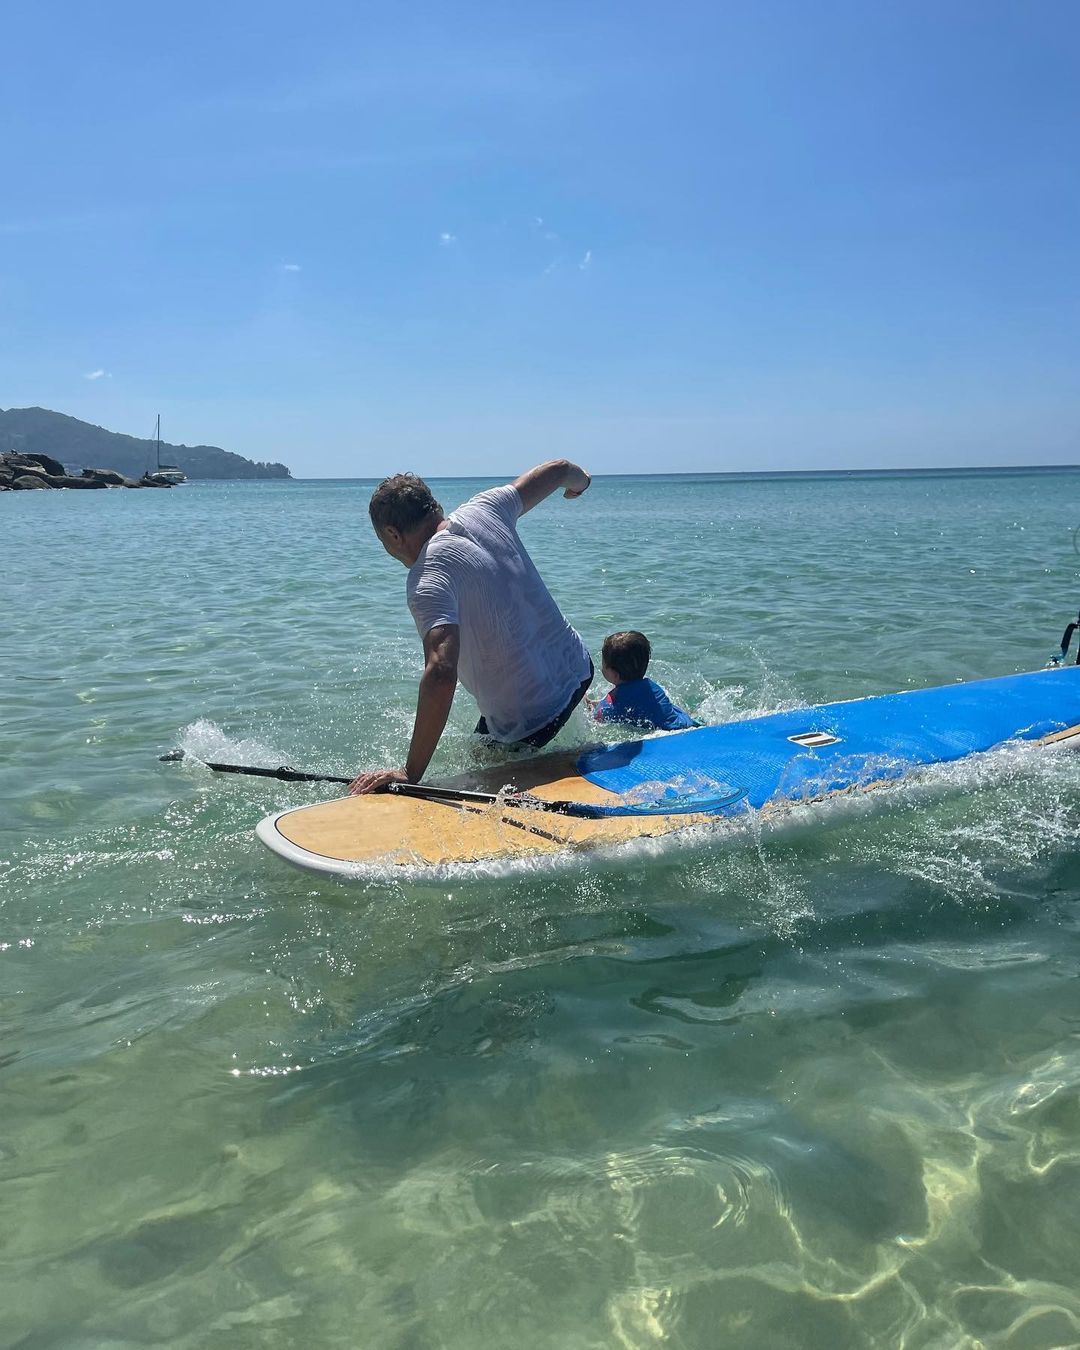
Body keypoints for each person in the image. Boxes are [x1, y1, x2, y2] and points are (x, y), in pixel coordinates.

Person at [349, 461, 594, 795]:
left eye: (384, 542)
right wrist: (579, 484)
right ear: (434, 507)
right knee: (478, 743)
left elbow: (441, 672)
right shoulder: (486, 508)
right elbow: (559, 470)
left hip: (530, 722)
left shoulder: (427, 577)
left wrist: (410, 772)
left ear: (393, 534)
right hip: (578, 669)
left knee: (479, 761)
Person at [589, 631, 697, 732]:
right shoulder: (652, 687)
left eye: (603, 664)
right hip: (684, 724)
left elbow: (597, 718)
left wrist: (589, 705)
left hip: (663, 735)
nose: (601, 668)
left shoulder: (610, 703)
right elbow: (637, 701)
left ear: (615, 674)